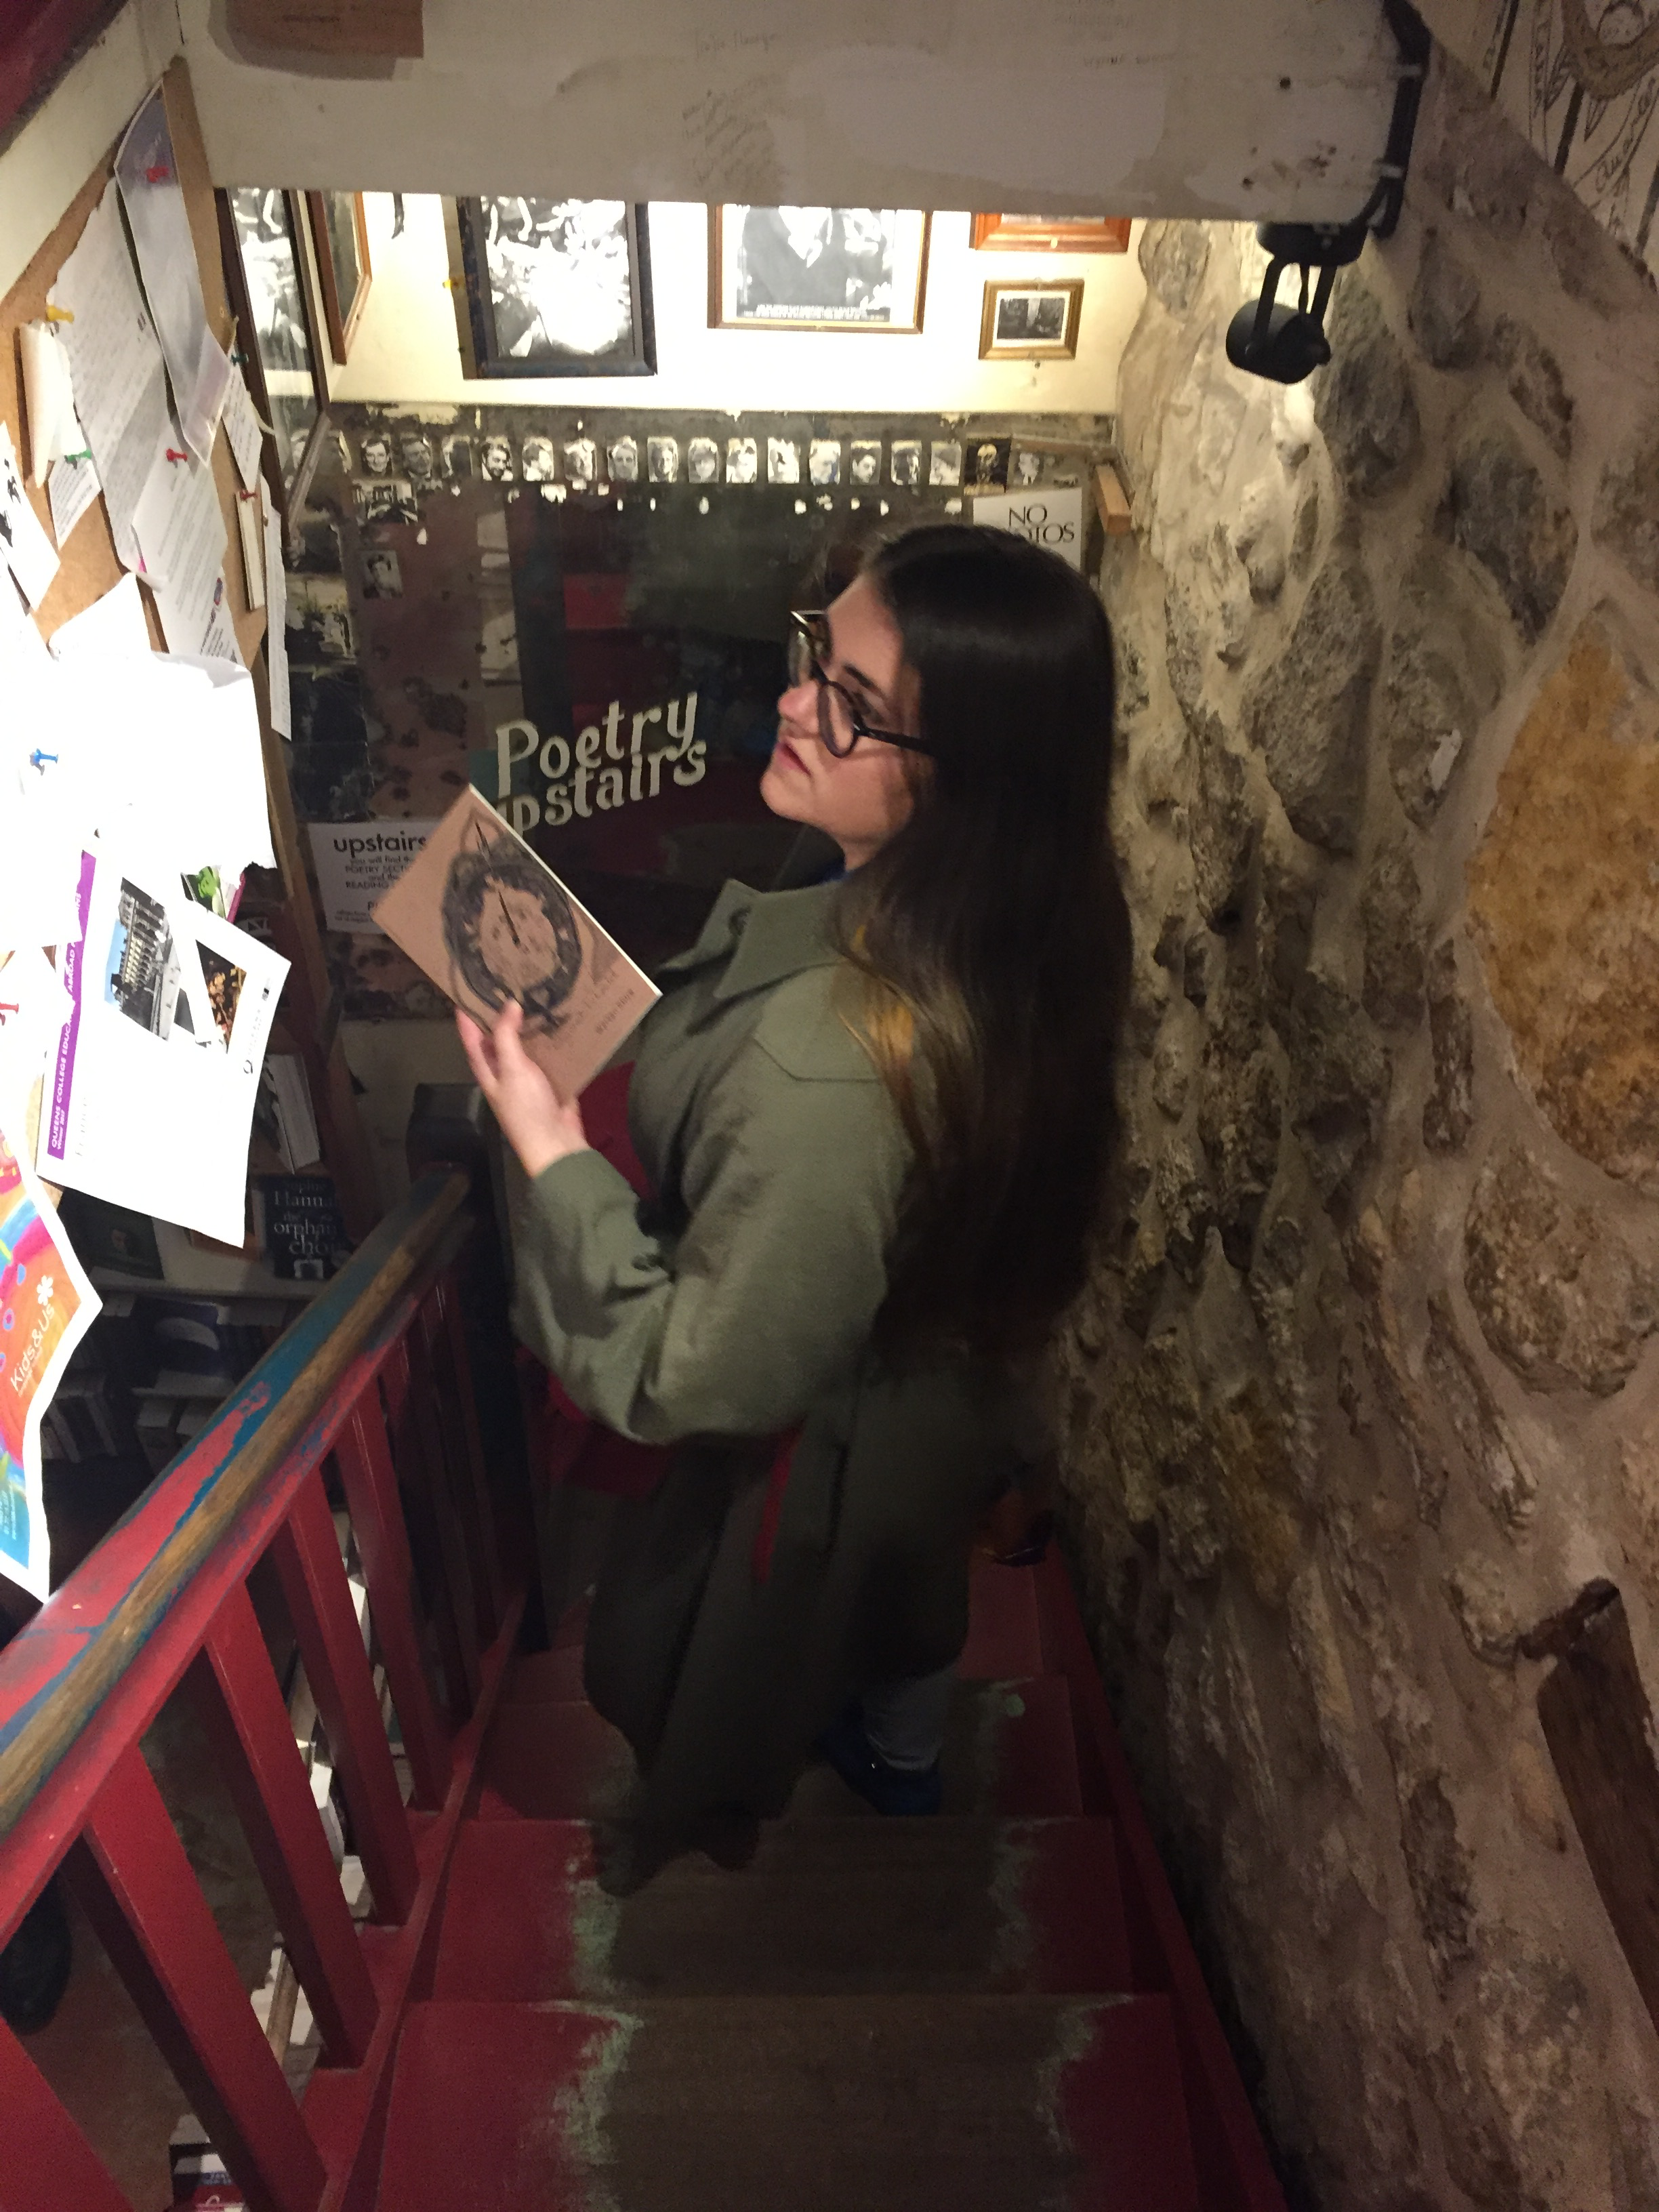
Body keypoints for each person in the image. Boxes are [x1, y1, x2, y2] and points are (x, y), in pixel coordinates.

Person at [458, 523, 1130, 1859]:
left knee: (767, 1641)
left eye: (857, 709)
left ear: (967, 782)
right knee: (905, 1602)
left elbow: (705, 1374)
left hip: (826, 1440)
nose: (792, 701)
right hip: (935, 1379)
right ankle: (905, 1757)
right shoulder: (1023, 906)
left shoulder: (826, 1062)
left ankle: (852, 1778)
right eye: (820, 647)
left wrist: (550, 1151)